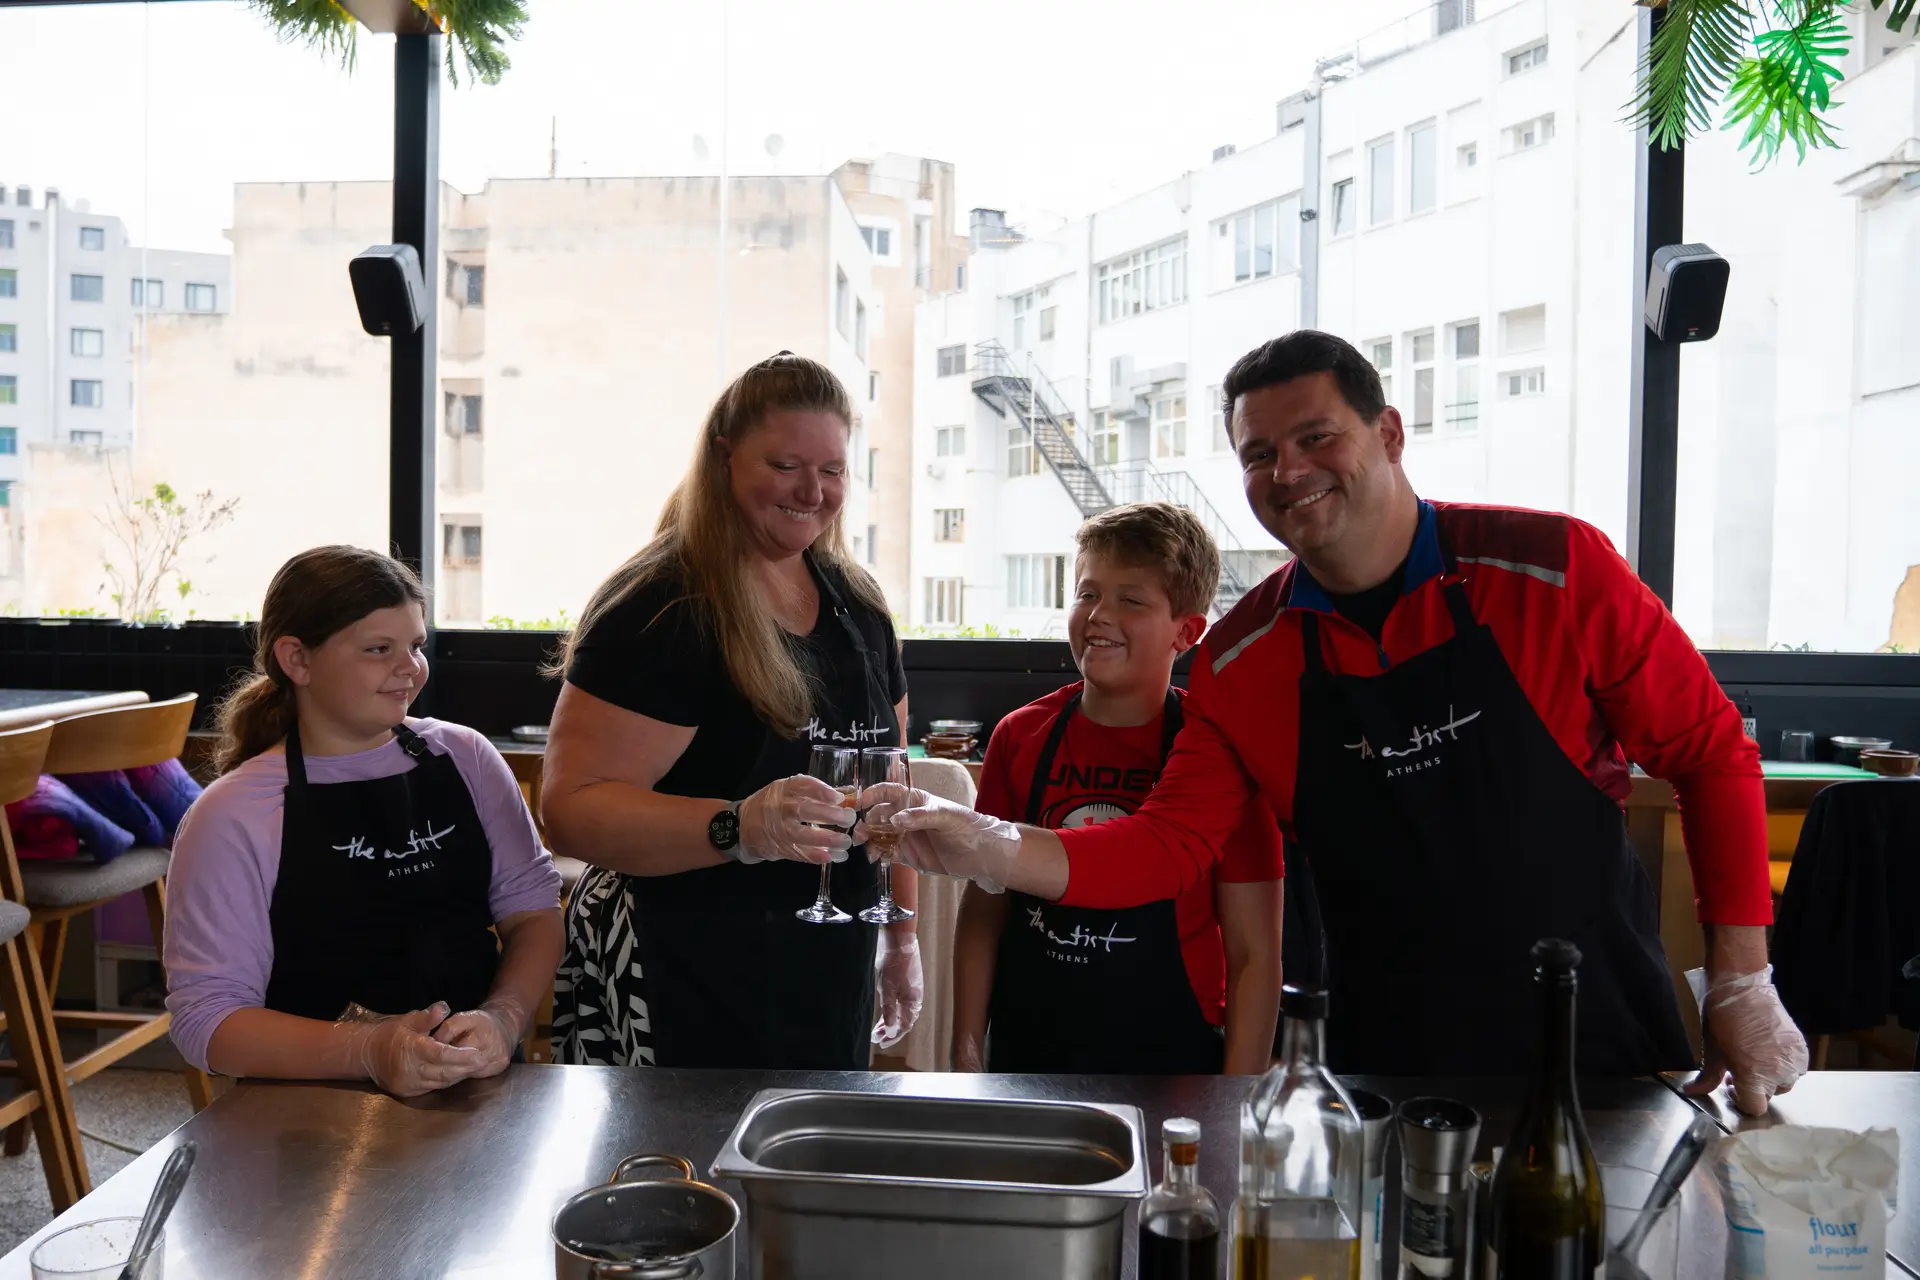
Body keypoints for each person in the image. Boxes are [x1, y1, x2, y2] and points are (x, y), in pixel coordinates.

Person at [882, 331, 1808, 1113]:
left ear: (1390, 432)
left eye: (1316, 436)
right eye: (1256, 453)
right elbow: (1163, 846)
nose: (1287, 471)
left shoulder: (1552, 568)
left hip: (1590, 1031)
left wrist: (1742, 978)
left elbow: (1709, 751)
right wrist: (988, 843)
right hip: (1379, 1057)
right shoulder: (1245, 660)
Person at [544, 352, 921, 1069]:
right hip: (679, 972)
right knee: (686, 1173)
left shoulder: (857, 603)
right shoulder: (660, 606)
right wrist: (740, 826)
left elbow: (890, 789)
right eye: (785, 465)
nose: (812, 490)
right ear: (723, 458)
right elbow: (570, 811)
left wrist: (901, 938)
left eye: (833, 471)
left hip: (828, 970)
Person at [164, 547, 564, 1098]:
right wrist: (368, 1051)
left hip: (479, 1086)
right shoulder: (232, 815)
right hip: (305, 1112)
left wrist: (503, 1018)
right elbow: (206, 1020)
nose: (410, 669)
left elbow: (533, 912)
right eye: (379, 649)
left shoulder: (466, 758)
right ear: (297, 660)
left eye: (416, 646)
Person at [951, 503, 1283, 1075]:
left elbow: (1255, 954)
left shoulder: (1221, 754)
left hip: (1174, 1055)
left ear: (1188, 630)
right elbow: (985, 907)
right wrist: (965, 1044)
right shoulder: (1020, 735)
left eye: (1131, 600)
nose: (1100, 615)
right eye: (1087, 594)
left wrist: (1238, 1101)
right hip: (1031, 1043)